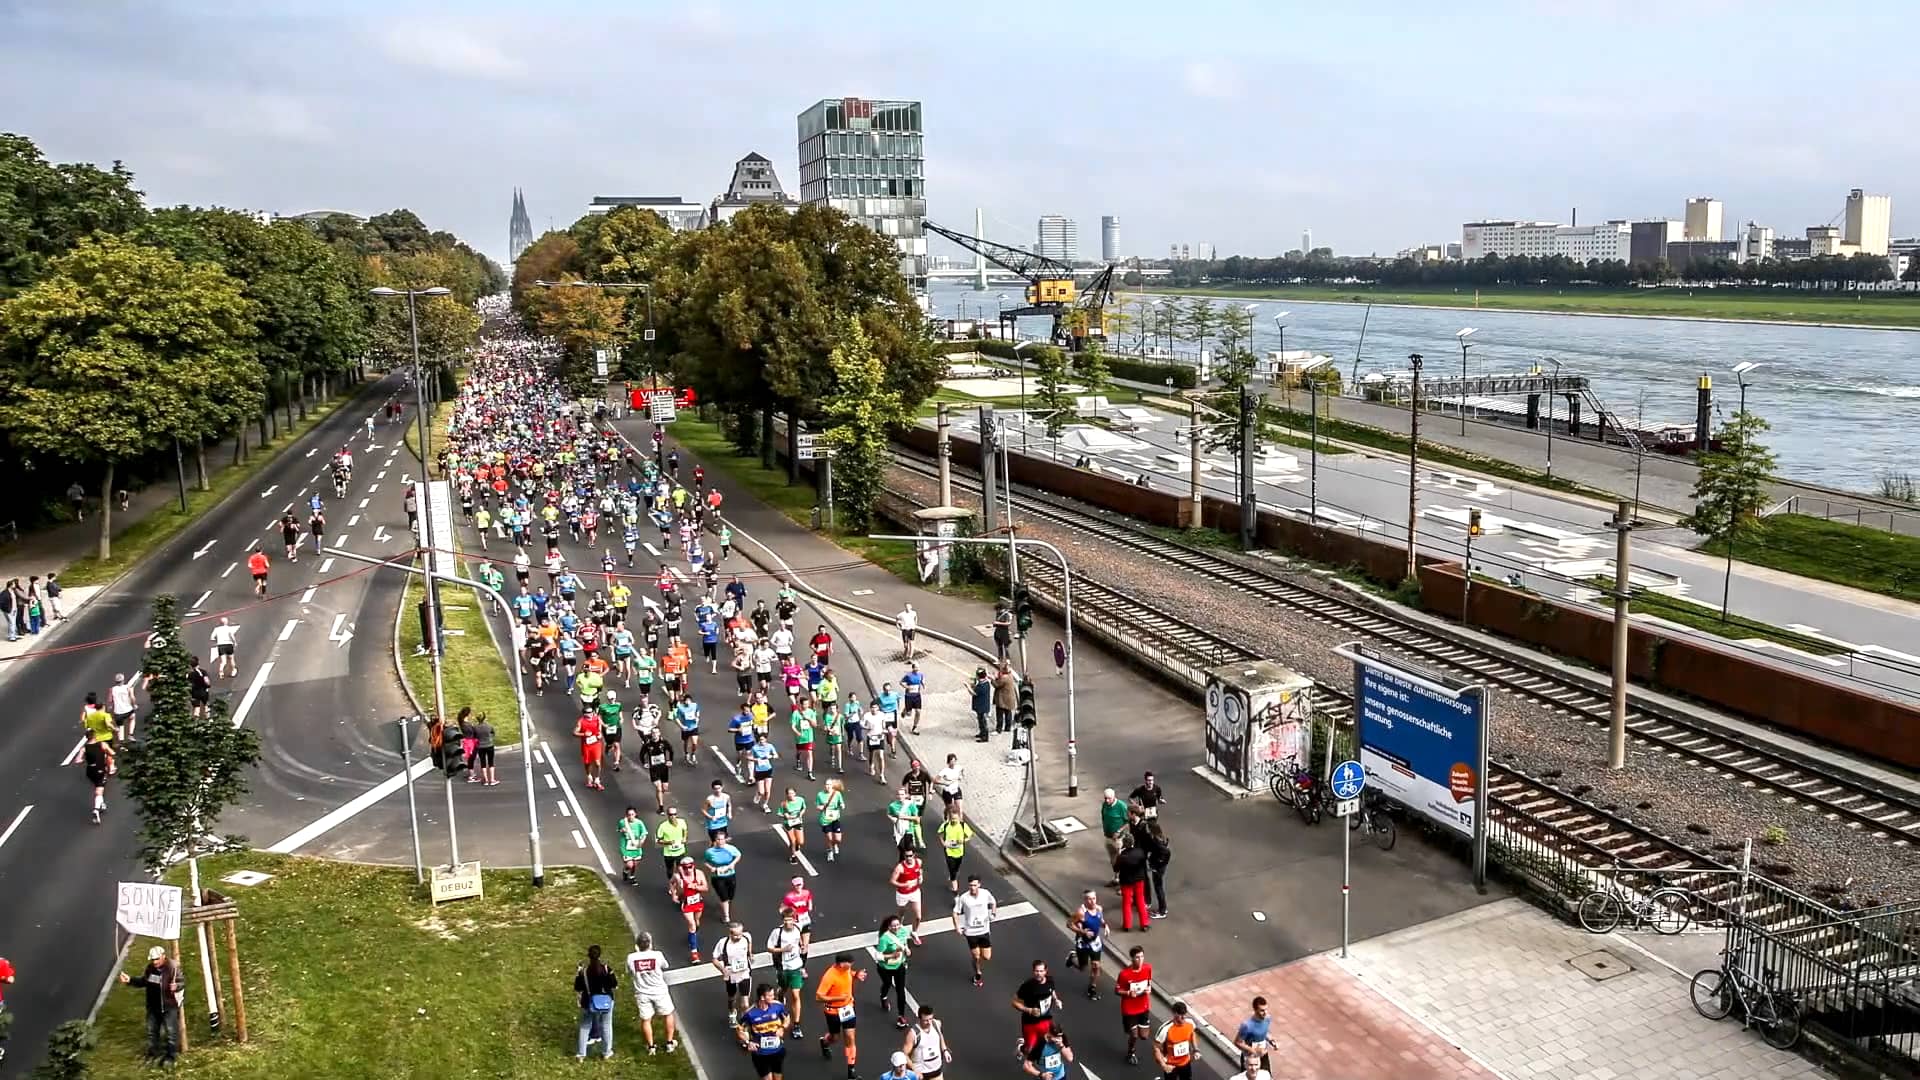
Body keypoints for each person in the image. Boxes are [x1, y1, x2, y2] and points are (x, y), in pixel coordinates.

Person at [117, 946, 183, 1065]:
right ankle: (153, 1053)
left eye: (157, 959)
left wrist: (176, 986)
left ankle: (171, 1056)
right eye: (153, 960)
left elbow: (181, 982)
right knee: (152, 1031)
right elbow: (144, 981)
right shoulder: (150, 969)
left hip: (168, 1006)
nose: (155, 962)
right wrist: (130, 980)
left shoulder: (173, 968)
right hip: (153, 1007)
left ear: (163, 956)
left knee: (171, 1032)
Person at [815, 953, 865, 1079]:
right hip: (833, 1012)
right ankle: (825, 1042)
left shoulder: (846, 970)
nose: (851, 965)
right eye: (849, 963)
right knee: (835, 1038)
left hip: (848, 1008)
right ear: (842, 964)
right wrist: (838, 998)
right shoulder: (829, 976)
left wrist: (856, 975)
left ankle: (851, 1070)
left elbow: (849, 973)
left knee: (850, 1037)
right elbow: (819, 996)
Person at [766, 909, 808, 1034]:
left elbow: (799, 937)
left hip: (796, 966)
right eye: (785, 920)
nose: (788, 923)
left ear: (794, 919)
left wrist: (802, 944)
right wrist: (783, 949)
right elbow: (769, 948)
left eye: (790, 920)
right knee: (783, 989)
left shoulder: (798, 928)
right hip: (783, 967)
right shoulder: (777, 932)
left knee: (796, 994)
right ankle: (781, 995)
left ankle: (796, 1025)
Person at [737, 983, 792, 1079]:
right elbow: (739, 1029)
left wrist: (782, 1027)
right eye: (770, 995)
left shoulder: (778, 1006)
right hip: (760, 1053)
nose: (773, 997)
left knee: (777, 1077)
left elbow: (787, 1017)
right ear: (762, 997)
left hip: (777, 1050)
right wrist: (748, 1042)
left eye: (773, 994)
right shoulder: (750, 1013)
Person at [574, 944, 618, 1060]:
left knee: (584, 1027)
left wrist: (578, 975)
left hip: (588, 1002)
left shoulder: (584, 972)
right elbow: (614, 984)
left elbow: (578, 988)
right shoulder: (606, 969)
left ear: (588, 956)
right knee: (606, 1025)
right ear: (600, 955)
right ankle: (606, 1052)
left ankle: (581, 1054)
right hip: (606, 1001)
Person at [952, 876, 997, 987]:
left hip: (984, 930)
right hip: (971, 932)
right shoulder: (963, 898)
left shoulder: (985, 893)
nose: (973, 887)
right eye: (971, 885)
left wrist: (993, 913)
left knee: (986, 957)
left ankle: (977, 959)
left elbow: (993, 902)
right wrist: (957, 927)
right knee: (976, 956)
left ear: (979, 885)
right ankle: (977, 973)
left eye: (975, 885)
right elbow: (955, 913)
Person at [1013, 960, 1063, 1054]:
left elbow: (1052, 991)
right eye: (1036, 971)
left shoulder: (1050, 980)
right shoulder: (1028, 985)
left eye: (1041, 971)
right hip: (1030, 1022)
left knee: (1055, 1038)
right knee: (1028, 1050)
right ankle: (1021, 1047)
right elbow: (1014, 1002)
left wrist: (1056, 1000)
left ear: (1045, 971)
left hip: (1046, 1018)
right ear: (1033, 971)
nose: (1039, 974)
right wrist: (1029, 1010)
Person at [1116, 946, 1155, 1065]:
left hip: (1143, 1007)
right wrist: (1128, 993)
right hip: (1129, 1009)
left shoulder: (1147, 968)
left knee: (1144, 1036)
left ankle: (1137, 1030)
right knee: (1134, 1035)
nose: (1140, 960)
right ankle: (1130, 1052)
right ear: (1132, 959)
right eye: (1137, 957)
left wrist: (1149, 989)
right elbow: (1117, 990)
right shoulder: (1124, 974)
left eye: (1142, 957)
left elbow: (1149, 981)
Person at [712, 922, 756, 1024]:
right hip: (731, 975)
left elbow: (749, 944)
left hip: (745, 973)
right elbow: (714, 959)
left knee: (745, 1003)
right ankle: (732, 1012)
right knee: (732, 997)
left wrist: (750, 954)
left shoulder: (746, 937)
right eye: (736, 935)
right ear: (730, 934)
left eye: (740, 934)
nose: (739, 937)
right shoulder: (723, 943)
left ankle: (744, 1020)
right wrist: (723, 970)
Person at [874, 914, 913, 1029]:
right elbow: (878, 956)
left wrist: (907, 949)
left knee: (901, 991)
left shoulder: (903, 931)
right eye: (893, 926)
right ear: (889, 927)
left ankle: (901, 1016)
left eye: (898, 925)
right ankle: (883, 996)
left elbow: (904, 943)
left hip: (899, 966)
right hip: (885, 967)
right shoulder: (884, 938)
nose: (896, 927)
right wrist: (892, 955)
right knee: (887, 984)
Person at [1066, 890, 1107, 999]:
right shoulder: (1081, 913)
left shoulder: (1099, 909)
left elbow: (1101, 919)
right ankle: (1072, 958)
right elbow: (1069, 924)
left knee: (1096, 966)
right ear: (1085, 900)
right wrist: (1083, 932)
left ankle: (1092, 987)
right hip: (1083, 943)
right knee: (1082, 967)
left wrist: (1105, 926)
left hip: (1095, 942)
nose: (1092, 901)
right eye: (1089, 899)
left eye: (1094, 898)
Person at [667, 855, 708, 961]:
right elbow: (671, 883)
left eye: (690, 867)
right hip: (686, 903)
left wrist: (696, 887)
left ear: (693, 866)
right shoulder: (678, 876)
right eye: (685, 868)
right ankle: (694, 953)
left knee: (697, 922)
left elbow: (705, 888)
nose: (688, 870)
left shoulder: (699, 874)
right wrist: (674, 895)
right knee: (692, 924)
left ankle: (692, 935)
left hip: (698, 901)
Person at [902, 1005, 952, 1079]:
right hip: (921, 1075)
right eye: (926, 1020)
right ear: (919, 1019)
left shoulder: (936, 1024)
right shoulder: (913, 1034)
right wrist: (914, 1070)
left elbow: (940, 1036)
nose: (929, 1022)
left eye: (930, 1019)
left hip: (937, 1072)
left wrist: (945, 1050)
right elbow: (904, 1055)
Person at [1115, 834, 1152, 932]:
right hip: (1139, 879)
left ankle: (1127, 925)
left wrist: (1118, 853)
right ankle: (1144, 924)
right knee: (1140, 900)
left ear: (1124, 844)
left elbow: (1116, 868)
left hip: (1126, 881)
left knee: (1126, 903)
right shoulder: (1140, 852)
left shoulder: (1122, 856)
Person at [1154, 1001, 1200, 1080]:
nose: (1183, 1017)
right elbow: (1156, 1048)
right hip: (1171, 1065)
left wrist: (1196, 1049)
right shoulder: (1165, 1029)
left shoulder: (1190, 1023)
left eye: (1184, 1014)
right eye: (1180, 1014)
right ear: (1174, 1013)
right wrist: (1164, 1065)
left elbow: (1192, 1034)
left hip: (1185, 1062)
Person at [705, 828, 742, 923]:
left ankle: (725, 903)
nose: (720, 841)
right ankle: (726, 916)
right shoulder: (710, 851)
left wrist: (732, 864)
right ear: (715, 840)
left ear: (725, 839)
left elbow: (738, 855)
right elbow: (706, 862)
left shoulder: (730, 848)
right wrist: (711, 868)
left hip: (730, 875)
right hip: (717, 877)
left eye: (722, 839)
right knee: (724, 897)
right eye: (718, 839)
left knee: (730, 896)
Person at [890, 848, 926, 946]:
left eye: (910, 855)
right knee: (902, 914)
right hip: (903, 894)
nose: (909, 858)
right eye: (906, 856)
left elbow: (919, 872)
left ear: (914, 855)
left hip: (915, 892)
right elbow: (892, 881)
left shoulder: (919, 862)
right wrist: (904, 885)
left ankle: (914, 932)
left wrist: (921, 877)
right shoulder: (900, 867)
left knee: (918, 916)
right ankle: (898, 928)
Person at [936, 806, 973, 893]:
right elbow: (940, 834)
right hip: (949, 851)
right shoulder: (945, 825)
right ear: (949, 817)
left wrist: (963, 840)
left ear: (959, 817)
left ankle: (954, 875)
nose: (954, 820)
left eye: (956, 819)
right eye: (952, 818)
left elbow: (970, 835)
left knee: (956, 868)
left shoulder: (963, 825)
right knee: (952, 869)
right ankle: (955, 887)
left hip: (959, 851)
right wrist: (943, 843)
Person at [1233, 996, 1274, 1075]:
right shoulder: (1247, 1026)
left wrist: (1271, 1040)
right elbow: (1238, 1042)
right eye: (1262, 1010)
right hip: (1249, 1057)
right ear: (1255, 1010)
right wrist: (1253, 1050)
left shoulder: (1268, 1018)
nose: (1265, 1013)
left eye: (1266, 1009)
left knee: (1266, 1075)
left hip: (1263, 1054)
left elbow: (1265, 1033)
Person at [1142, 818, 1173, 919]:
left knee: (1158, 888)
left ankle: (1162, 911)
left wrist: (1157, 866)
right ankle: (1163, 908)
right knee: (1159, 887)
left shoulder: (1157, 841)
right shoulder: (1159, 838)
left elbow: (1166, 853)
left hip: (1158, 869)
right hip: (1159, 867)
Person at [1100, 789, 1130, 886]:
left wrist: (1118, 831)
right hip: (1108, 837)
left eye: (1109, 799)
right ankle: (1116, 878)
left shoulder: (1121, 806)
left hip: (1119, 839)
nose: (1107, 801)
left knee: (1121, 861)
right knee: (1113, 860)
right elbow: (1103, 816)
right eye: (1105, 798)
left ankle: (1124, 882)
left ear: (1114, 797)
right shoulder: (1104, 805)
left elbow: (1128, 821)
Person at [639, 728, 673, 813]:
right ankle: (661, 807)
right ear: (651, 734)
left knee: (665, 788)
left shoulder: (664, 743)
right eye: (653, 733)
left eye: (656, 732)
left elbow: (671, 751)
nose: (654, 734)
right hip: (654, 769)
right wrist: (644, 763)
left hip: (663, 768)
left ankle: (662, 793)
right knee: (659, 788)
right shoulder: (647, 744)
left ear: (659, 733)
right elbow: (641, 754)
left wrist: (670, 760)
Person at [574, 706, 605, 790]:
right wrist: (584, 734)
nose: (590, 714)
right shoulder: (581, 721)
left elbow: (599, 728)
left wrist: (600, 734)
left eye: (591, 712)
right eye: (588, 712)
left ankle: (597, 780)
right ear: (584, 714)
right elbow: (575, 732)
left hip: (596, 743)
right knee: (587, 762)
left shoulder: (597, 719)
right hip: (586, 745)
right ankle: (589, 777)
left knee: (597, 762)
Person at [815, 777, 846, 862]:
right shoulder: (820, 795)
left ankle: (835, 845)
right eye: (826, 784)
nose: (828, 786)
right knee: (829, 838)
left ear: (832, 786)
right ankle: (830, 851)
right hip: (825, 819)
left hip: (835, 818)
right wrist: (820, 807)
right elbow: (817, 805)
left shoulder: (837, 794)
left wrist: (842, 805)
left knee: (838, 839)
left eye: (830, 785)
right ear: (824, 785)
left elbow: (841, 802)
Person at [617, 807, 649, 886]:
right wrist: (622, 830)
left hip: (636, 847)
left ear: (635, 814)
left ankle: (632, 876)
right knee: (629, 864)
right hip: (626, 847)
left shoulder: (639, 823)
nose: (631, 816)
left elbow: (644, 833)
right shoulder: (622, 822)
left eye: (632, 814)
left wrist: (641, 842)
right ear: (626, 815)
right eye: (629, 815)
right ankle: (625, 871)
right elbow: (618, 830)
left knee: (635, 864)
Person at [777, 786, 807, 864]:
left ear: (795, 793)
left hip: (798, 822)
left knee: (801, 842)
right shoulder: (784, 804)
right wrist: (785, 816)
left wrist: (801, 814)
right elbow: (779, 813)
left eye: (792, 793)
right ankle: (793, 856)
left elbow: (803, 808)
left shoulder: (800, 800)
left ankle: (797, 845)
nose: (791, 795)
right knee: (792, 841)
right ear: (786, 795)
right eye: (789, 794)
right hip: (788, 823)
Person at [107, 672, 138, 741]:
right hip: (128, 710)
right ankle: (130, 735)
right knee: (132, 718)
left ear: (116, 681)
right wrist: (134, 705)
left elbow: (110, 701)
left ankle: (121, 741)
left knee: (120, 726)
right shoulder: (128, 687)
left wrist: (110, 710)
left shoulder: (112, 689)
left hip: (118, 712)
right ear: (123, 680)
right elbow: (132, 697)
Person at [992, 663, 1018, 735]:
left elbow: (996, 684)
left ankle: (998, 729)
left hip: (1002, 700)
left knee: (999, 715)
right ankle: (1007, 727)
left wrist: (993, 678)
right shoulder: (1010, 676)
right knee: (1008, 713)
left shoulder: (1004, 678)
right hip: (1009, 699)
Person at [970, 667, 993, 742]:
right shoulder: (985, 683)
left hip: (982, 707)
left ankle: (985, 737)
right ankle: (982, 733)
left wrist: (968, 687)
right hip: (981, 706)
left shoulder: (982, 686)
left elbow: (974, 693)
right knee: (980, 721)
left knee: (983, 722)